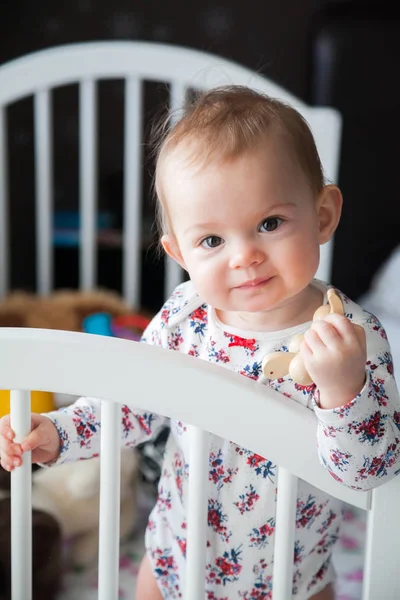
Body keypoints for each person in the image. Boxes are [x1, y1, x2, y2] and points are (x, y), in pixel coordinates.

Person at [1, 86, 399, 600]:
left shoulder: (351, 339)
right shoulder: (185, 317)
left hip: (292, 580)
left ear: (322, 215)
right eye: (212, 240)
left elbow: (370, 475)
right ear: (180, 252)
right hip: (174, 560)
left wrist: (345, 394)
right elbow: (132, 407)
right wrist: (55, 434)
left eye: (270, 223)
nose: (245, 256)